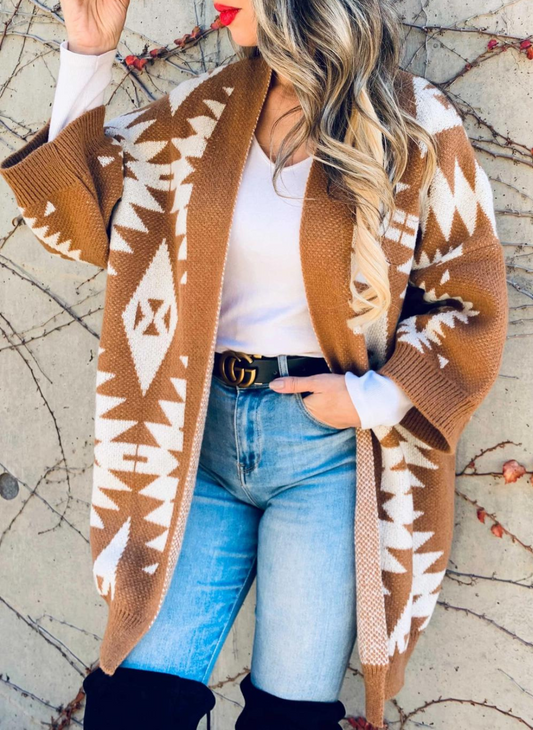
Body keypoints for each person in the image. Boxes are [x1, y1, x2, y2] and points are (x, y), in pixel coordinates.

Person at [0, 0, 508, 728]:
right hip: (194, 448)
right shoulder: (201, 113)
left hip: (328, 458)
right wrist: (89, 51)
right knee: (134, 709)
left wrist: (374, 399)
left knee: (287, 719)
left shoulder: (414, 122)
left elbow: (470, 298)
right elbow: (78, 219)